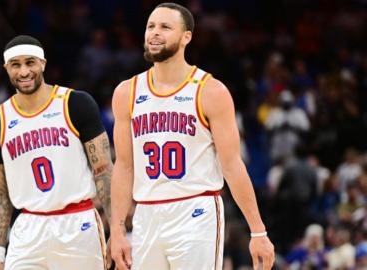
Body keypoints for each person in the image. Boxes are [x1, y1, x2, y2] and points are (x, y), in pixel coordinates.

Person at [110, 3, 275, 270]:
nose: (154, 33)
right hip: (146, 213)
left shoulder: (211, 91)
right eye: (150, 26)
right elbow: (124, 166)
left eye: (165, 27)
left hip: (196, 211)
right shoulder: (126, 92)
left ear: (186, 36)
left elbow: (232, 165)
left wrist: (258, 231)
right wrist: (116, 230)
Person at [0, 35, 112, 270]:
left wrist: (118, 230)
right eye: (16, 64)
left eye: (30, 62)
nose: (23, 72)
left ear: (43, 63)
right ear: (6, 68)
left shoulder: (76, 104)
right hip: (27, 229)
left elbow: (104, 171)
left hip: (77, 223)